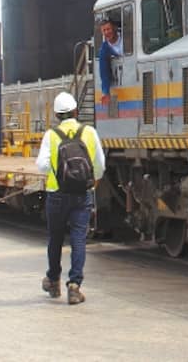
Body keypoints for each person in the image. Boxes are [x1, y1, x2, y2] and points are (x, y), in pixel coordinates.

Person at [36, 91, 106, 304]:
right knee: (78, 239)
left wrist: (58, 172)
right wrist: (91, 180)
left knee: (55, 239)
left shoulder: (51, 135)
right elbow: (100, 165)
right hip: (81, 195)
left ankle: (54, 280)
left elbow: (42, 165)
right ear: (76, 111)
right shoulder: (90, 132)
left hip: (56, 195)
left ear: (57, 115)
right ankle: (74, 286)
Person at [97, 19, 122, 106]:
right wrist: (105, 92)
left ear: (114, 28)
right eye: (104, 30)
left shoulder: (127, 38)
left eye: (108, 29)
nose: (107, 32)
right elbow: (104, 72)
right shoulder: (104, 49)